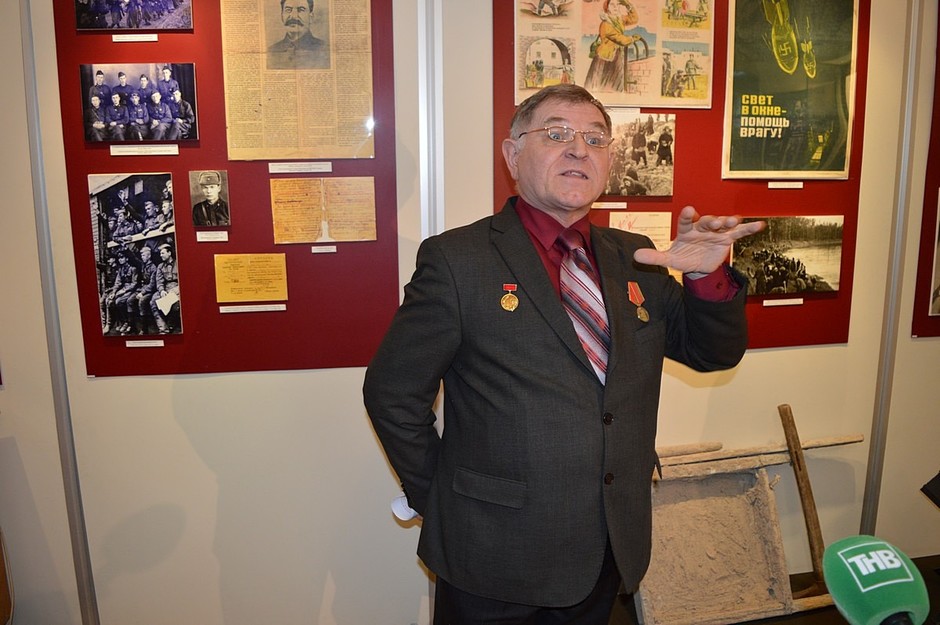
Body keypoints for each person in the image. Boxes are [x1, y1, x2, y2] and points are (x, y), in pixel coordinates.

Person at [363, 84, 763, 623]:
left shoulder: (636, 257)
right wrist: (440, 499)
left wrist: (705, 276)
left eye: (595, 139)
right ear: (512, 155)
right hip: (492, 555)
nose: (578, 149)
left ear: (609, 162)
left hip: (605, 546)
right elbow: (392, 393)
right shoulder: (458, 260)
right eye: (556, 134)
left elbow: (712, 353)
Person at [585, 0, 641, 93]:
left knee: (616, 84)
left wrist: (627, 4)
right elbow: (619, 38)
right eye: (612, 5)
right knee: (599, 84)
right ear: (607, 8)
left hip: (616, 55)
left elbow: (634, 19)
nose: (615, 7)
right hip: (604, 57)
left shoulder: (619, 19)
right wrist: (632, 39)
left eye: (617, 5)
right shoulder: (606, 24)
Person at [267, 0, 330, 70]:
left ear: (311, 17)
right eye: (288, 10)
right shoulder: (271, 51)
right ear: (282, 16)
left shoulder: (325, 49)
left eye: (301, 10)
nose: (293, 16)